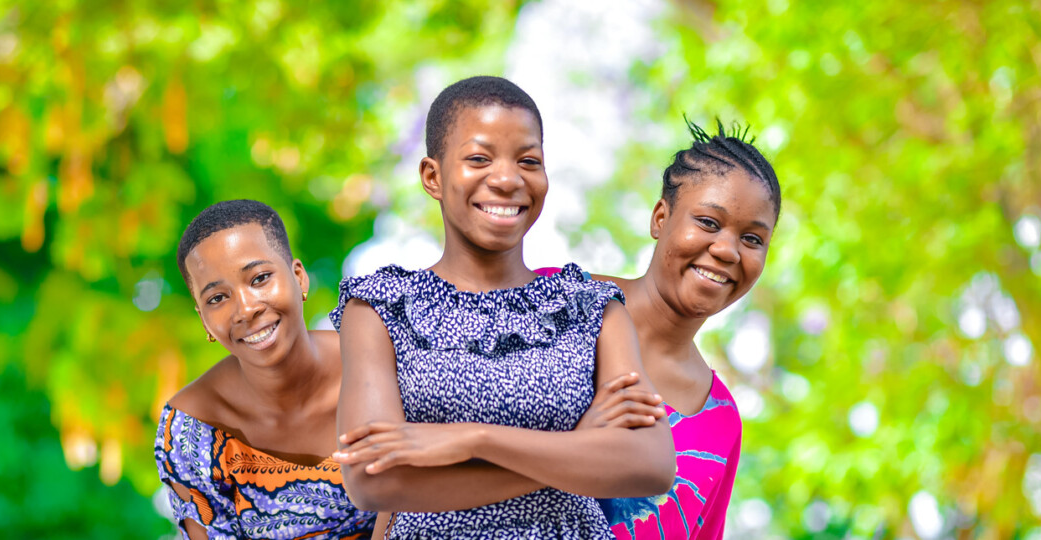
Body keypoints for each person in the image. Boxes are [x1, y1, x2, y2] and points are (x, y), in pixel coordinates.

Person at [329, 76, 676, 539]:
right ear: (432, 177)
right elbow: (375, 481)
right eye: (478, 158)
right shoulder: (380, 308)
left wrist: (475, 439)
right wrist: (573, 450)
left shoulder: (590, 308)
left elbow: (651, 465)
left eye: (529, 161)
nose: (509, 179)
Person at [587, 119, 782, 539]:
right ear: (661, 218)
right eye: (709, 223)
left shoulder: (721, 422)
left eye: (752, 239)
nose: (727, 250)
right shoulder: (557, 301)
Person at [153, 200, 376, 540]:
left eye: (259, 278)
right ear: (203, 319)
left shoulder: (380, 364)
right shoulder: (192, 432)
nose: (245, 309)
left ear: (299, 277)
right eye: (217, 299)